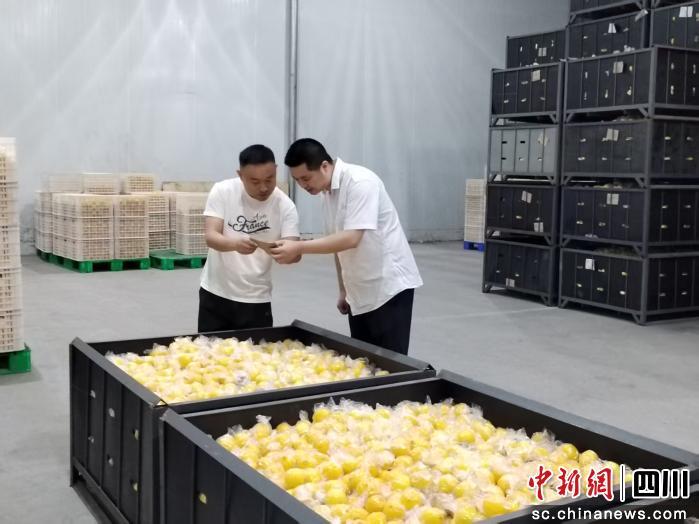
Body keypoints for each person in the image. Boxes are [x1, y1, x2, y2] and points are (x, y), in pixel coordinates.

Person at [271, 138, 422, 355]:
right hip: (359, 291)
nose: (303, 185)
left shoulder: (360, 182)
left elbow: (351, 238)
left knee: (391, 361)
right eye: (297, 180)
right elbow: (337, 243)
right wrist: (344, 290)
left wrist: (298, 247)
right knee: (363, 359)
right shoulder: (327, 193)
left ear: (324, 166)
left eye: (306, 178)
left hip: (388, 287)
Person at [198, 144, 300, 333]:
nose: (263, 187)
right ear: (240, 175)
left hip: (256, 298)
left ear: (276, 170)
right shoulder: (223, 191)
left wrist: (287, 254)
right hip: (215, 291)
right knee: (209, 349)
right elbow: (211, 236)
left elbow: (294, 251)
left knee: (256, 351)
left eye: (269, 179)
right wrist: (234, 244)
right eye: (255, 181)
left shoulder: (286, 206)